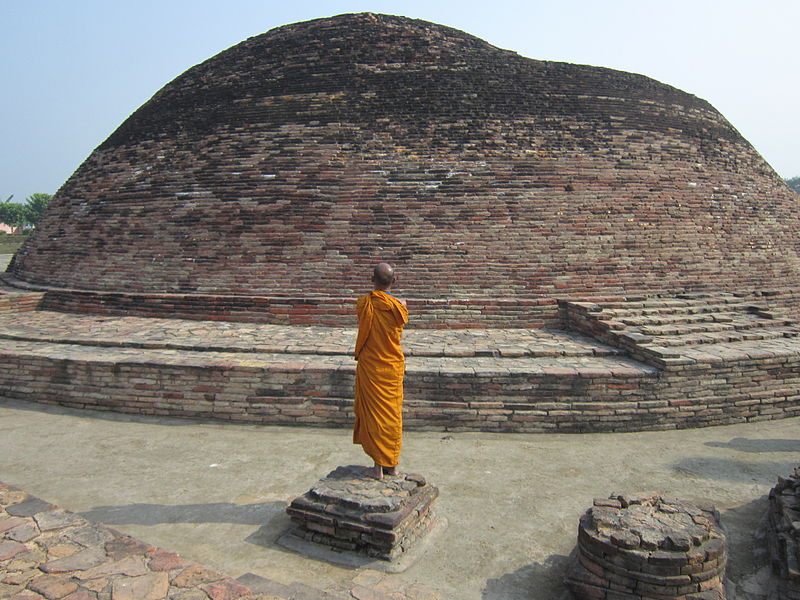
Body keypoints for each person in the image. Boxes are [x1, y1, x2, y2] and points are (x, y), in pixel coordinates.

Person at [353, 262, 409, 480]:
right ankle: (392, 466)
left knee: (375, 416)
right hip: (391, 367)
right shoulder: (401, 305)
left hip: (372, 366)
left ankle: (378, 468)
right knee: (391, 415)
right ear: (395, 281)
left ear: (371, 279)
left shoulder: (364, 303)